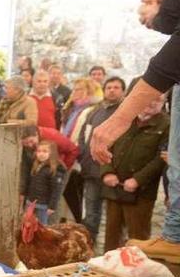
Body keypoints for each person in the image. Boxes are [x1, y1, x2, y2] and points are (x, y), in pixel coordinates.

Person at [101, 93, 169, 251]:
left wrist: (138, 179)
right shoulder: (125, 119)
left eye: (157, 99)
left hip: (142, 192)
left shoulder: (167, 125)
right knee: (111, 235)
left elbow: (162, 158)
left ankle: (135, 273)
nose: (151, 102)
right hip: (115, 187)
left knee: (138, 238)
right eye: (149, 98)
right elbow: (106, 144)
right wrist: (107, 172)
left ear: (164, 102)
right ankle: (109, 270)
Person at [78, 77, 127, 239]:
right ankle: (89, 247)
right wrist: (83, 159)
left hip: (116, 173)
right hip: (92, 171)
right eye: (109, 87)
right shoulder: (95, 112)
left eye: (116, 87)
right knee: (91, 213)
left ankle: (113, 250)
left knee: (116, 218)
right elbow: (84, 136)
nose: (112, 90)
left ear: (123, 91)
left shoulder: (125, 114)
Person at [60, 77, 101, 222]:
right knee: (67, 192)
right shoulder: (71, 107)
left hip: (78, 155)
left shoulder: (90, 109)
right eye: (75, 89)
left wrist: (75, 150)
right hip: (66, 151)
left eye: (80, 89)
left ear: (88, 91)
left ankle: (78, 222)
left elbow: (82, 134)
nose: (76, 92)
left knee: (76, 193)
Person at [20, 140, 66, 224]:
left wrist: (52, 206)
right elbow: (30, 183)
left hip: (43, 205)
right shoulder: (36, 166)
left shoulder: (54, 170)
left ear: (52, 154)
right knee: (28, 223)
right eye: (39, 151)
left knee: (41, 226)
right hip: (31, 201)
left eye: (45, 151)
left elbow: (56, 190)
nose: (41, 154)